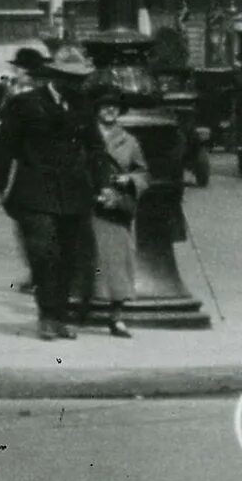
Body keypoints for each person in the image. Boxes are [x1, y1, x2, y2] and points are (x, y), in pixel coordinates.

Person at [0, 45, 107, 341]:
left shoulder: (83, 106)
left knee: (70, 256)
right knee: (42, 254)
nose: (78, 84)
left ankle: (62, 315)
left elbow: (95, 148)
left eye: (81, 79)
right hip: (35, 192)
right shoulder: (25, 104)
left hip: (74, 193)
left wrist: (102, 184)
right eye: (72, 78)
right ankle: (46, 314)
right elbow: (5, 148)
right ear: (57, 76)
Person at [84, 94, 147, 338]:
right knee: (86, 257)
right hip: (89, 204)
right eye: (104, 105)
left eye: (114, 106)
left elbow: (143, 172)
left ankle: (116, 316)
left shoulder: (129, 141)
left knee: (118, 261)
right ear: (96, 108)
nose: (110, 110)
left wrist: (129, 179)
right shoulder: (86, 137)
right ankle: (80, 309)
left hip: (115, 207)